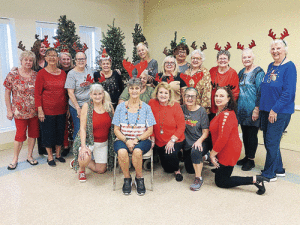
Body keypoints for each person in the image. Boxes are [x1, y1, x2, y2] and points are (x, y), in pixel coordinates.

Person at [210, 87, 269, 195]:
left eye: (222, 96)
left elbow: (223, 138)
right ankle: (221, 169)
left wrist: (212, 154)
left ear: (228, 99)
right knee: (220, 173)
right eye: (216, 96)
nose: (218, 98)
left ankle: (255, 179)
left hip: (229, 151)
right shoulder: (221, 111)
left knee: (221, 182)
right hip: (223, 149)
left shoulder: (226, 114)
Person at [259, 36, 297, 181]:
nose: (275, 51)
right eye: (273, 49)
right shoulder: (271, 66)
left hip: (279, 111)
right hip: (266, 110)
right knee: (272, 141)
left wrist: (274, 110)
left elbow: (289, 92)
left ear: (284, 50)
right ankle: (279, 169)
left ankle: (269, 174)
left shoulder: (290, 66)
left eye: (278, 48)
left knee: (271, 141)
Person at [112, 78, 156, 195]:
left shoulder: (146, 108)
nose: (134, 91)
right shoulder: (120, 107)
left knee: (137, 151)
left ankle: (139, 178)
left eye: (137, 88)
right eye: (132, 88)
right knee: (121, 152)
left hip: (142, 139)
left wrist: (136, 139)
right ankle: (127, 179)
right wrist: (127, 140)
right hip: (122, 138)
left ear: (141, 90)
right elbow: (116, 129)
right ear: (128, 90)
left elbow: (150, 130)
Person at [71, 84, 115, 182]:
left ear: (103, 94)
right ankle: (81, 168)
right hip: (89, 141)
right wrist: (83, 147)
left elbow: (114, 124)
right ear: (90, 95)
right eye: (95, 94)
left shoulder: (108, 105)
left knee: (101, 170)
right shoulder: (87, 106)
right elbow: (82, 128)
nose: (97, 96)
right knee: (84, 156)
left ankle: (78, 161)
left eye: (100, 94)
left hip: (103, 143)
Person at [4, 51, 39, 170]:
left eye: (30, 60)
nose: (28, 62)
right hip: (19, 112)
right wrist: (9, 110)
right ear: (21, 61)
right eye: (26, 60)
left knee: (33, 134)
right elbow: (7, 93)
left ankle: (29, 156)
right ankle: (15, 159)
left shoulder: (36, 75)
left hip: (34, 111)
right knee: (19, 135)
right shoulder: (13, 74)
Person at [35, 48, 67, 166]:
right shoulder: (41, 73)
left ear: (58, 58)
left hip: (61, 109)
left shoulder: (62, 73)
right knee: (48, 133)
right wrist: (40, 110)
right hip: (47, 110)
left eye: (55, 55)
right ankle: (50, 157)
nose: (52, 58)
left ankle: (58, 154)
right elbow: (37, 93)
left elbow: (66, 92)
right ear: (46, 58)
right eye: (50, 55)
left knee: (60, 132)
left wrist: (67, 108)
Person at [148, 82, 185, 181]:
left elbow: (181, 126)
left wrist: (172, 140)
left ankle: (177, 170)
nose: (163, 95)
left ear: (169, 95)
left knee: (170, 155)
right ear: (157, 93)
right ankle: (175, 157)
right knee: (167, 169)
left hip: (175, 139)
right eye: (161, 92)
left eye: (166, 93)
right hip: (159, 140)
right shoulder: (152, 103)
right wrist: (152, 137)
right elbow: (149, 122)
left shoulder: (175, 106)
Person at [236, 48, 265, 171]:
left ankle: (251, 160)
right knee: (245, 134)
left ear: (253, 58)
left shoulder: (259, 72)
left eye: (248, 57)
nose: (246, 59)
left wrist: (257, 109)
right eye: (244, 57)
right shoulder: (241, 71)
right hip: (241, 110)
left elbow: (261, 92)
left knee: (252, 135)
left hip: (253, 109)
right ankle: (247, 156)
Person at [181, 88, 209, 190]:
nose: (189, 98)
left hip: (200, 141)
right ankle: (205, 158)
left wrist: (199, 141)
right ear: (183, 97)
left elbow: (206, 132)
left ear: (196, 98)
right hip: (187, 143)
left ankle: (198, 178)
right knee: (189, 169)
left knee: (196, 151)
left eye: (192, 96)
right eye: (187, 96)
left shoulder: (202, 111)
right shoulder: (181, 109)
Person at [65, 52, 94, 141]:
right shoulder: (71, 74)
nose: (81, 61)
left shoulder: (89, 70)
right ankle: (78, 152)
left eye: (83, 59)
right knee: (79, 129)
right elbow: (70, 93)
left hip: (89, 104)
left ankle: (88, 150)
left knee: (90, 127)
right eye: (79, 59)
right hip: (77, 105)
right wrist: (78, 108)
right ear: (75, 61)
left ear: (86, 60)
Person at [181, 49, 212, 113]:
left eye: (198, 58)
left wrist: (203, 108)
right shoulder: (186, 72)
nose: (195, 60)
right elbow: (183, 90)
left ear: (202, 60)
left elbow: (207, 91)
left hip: (199, 107)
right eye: (193, 58)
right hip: (187, 106)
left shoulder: (205, 72)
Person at [210, 50, 239, 115]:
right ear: (217, 61)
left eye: (225, 58)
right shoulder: (212, 71)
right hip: (212, 107)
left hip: (226, 109)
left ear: (229, 60)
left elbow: (235, 93)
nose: (222, 60)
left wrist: (227, 107)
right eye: (220, 58)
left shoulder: (233, 73)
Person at [58, 51, 74, 157]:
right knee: (63, 126)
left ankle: (76, 145)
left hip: (73, 102)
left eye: (68, 59)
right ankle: (66, 146)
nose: (66, 61)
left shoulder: (74, 71)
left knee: (73, 125)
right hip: (61, 102)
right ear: (59, 60)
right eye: (64, 59)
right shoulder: (57, 71)